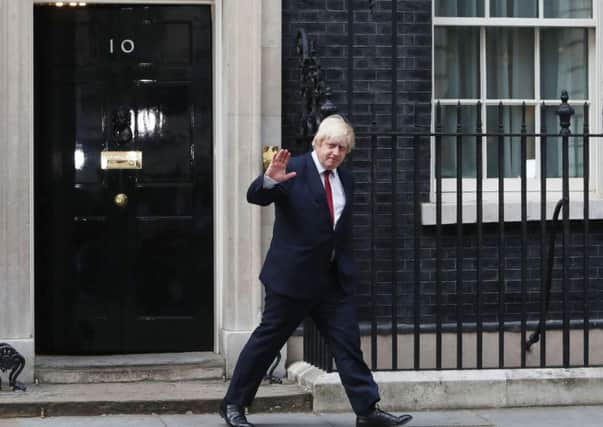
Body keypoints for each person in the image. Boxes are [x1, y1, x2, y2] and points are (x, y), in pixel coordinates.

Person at [220, 115, 413, 427]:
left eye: (341, 148)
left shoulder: (344, 179)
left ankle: (367, 411)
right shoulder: (293, 169)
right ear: (317, 143)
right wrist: (268, 180)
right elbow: (256, 196)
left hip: (331, 280)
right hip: (292, 279)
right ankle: (234, 405)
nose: (334, 152)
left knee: (348, 344)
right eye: (329, 145)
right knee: (266, 343)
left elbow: (338, 228)